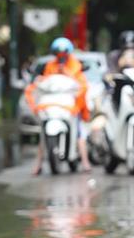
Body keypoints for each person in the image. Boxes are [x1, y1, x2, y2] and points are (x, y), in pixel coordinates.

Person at [24, 36, 91, 175]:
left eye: (63, 55)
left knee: (79, 131)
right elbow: (46, 83)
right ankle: (38, 165)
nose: (61, 57)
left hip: (70, 104)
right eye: (58, 55)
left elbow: (81, 85)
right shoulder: (50, 65)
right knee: (43, 132)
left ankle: (85, 161)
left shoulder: (75, 65)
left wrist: (66, 73)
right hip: (53, 103)